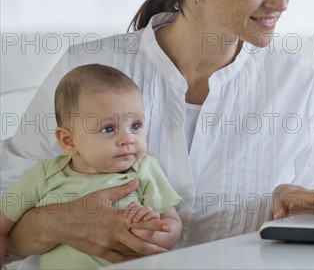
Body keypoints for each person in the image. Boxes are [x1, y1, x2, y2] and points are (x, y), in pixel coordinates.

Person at [0, 0, 314, 264]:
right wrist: (52, 223)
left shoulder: (296, 81)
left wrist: (291, 205)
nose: (280, 0)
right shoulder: (89, 70)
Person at [0, 64, 183, 269]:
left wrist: (150, 231)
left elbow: (172, 226)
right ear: (68, 141)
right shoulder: (45, 175)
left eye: (135, 125)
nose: (128, 139)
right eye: (108, 128)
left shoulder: (143, 169)